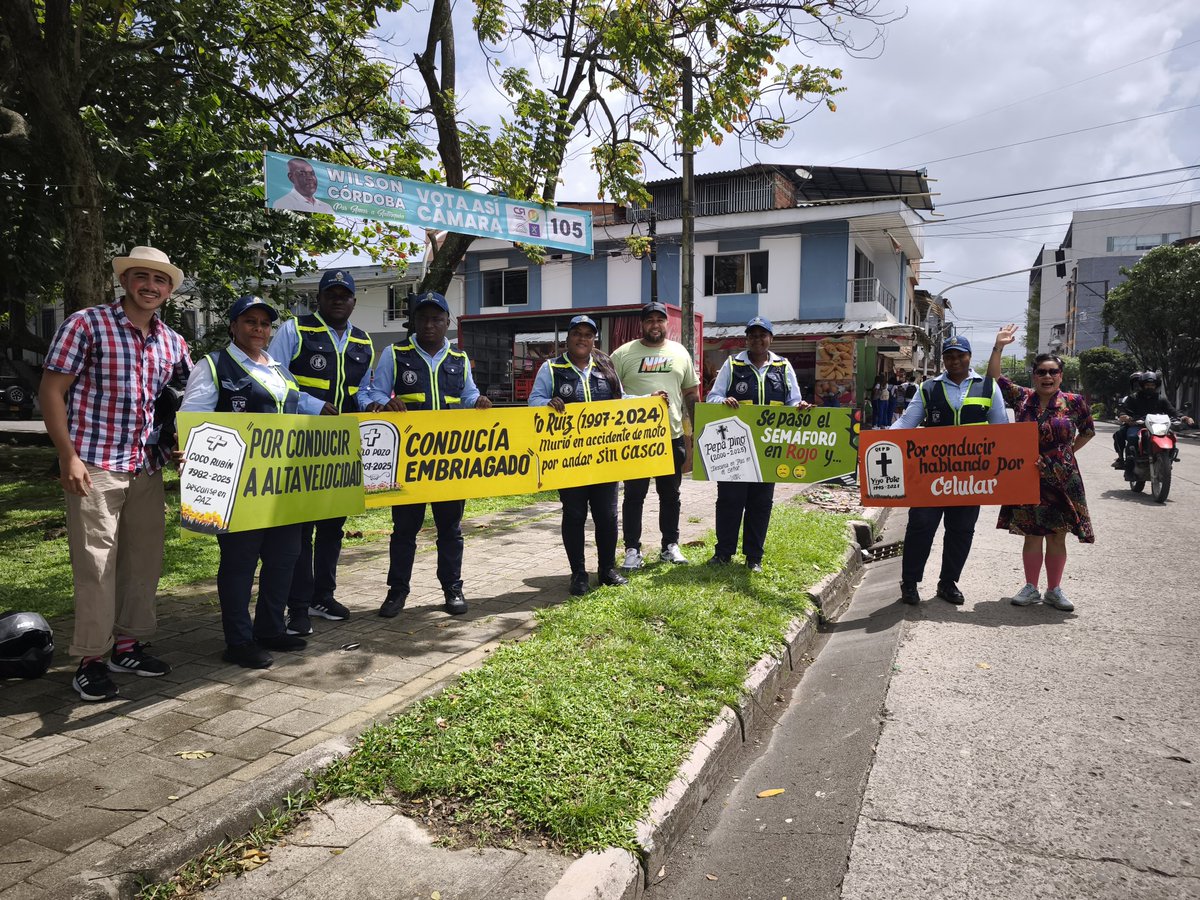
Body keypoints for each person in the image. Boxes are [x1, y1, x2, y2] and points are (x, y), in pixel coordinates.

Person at [39, 246, 193, 701]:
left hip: (146, 468)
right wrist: (66, 455)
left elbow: (184, 402)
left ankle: (127, 645)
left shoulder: (173, 342)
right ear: (126, 281)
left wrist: (184, 446)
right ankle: (90, 657)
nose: (151, 286)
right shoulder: (87, 324)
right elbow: (51, 391)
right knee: (97, 567)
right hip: (95, 465)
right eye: (142, 277)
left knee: (142, 564)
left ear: (168, 290)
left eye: (160, 280)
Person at [180, 295, 329, 669]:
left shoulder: (279, 369)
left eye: (264, 323)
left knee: (284, 559)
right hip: (238, 487)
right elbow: (192, 420)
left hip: (282, 486)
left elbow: (295, 400)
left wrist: (327, 411)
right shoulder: (214, 366)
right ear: (233, 325)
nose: (258, 329)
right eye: (250, 321)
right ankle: (239, 640)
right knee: (240, 563)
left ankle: (270, 629)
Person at [361, 291, 492, 618]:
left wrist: (477, 403)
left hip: (448, 462)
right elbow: (376, 391)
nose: (430, 324)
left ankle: (452, 587)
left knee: (450, 529)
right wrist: (385, 401)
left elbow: (468, 394)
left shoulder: (459, 360)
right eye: (423, 318)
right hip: (409, 461)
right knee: (404, 530)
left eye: (437, 318)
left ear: (447, 321)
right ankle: (397, 591)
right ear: (413, 322)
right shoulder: (395, 353)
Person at [268, 269, 374, 637]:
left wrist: (374, 405)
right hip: (301, 443)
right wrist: (312, 405)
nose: (338, 299)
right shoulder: (294, 330)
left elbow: (362, 390)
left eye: (345, 294)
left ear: (354, 301)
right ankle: (296, 606)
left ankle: (322, 596)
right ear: (320, 297)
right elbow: (274, 379)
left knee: (333, 527)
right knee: (300, 531)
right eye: (332, 293)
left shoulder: (364, 341)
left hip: (343, 448)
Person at [891, 334, 1008, 606]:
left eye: (960, 355)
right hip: (930, 476)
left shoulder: (988, 387)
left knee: (962, 530)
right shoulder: (928, 388)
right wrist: (873, 443)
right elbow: (905, 425)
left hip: (971, 478)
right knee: (920, 526)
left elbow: (1002, 431)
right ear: (943, 359)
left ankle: (948, 582)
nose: (955, 360)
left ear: (969, 357)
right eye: (949, 356)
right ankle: (909, 583)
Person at [988, 325, 1097, 612]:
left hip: (1062, 478)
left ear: (1061, 376)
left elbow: (1087, 431)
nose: (1047, 376)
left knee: (1058, 534)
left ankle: (1054, 590)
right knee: (1033, 532)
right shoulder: (1022, 398)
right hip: (1028, 476)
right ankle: (1030, 587)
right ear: (1033, 375)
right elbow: (994, 379)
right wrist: (998, 347)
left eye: (1053, 372)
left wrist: (1067, 454)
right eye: (1041, 372)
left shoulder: (1074, 402)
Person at [528, 315, 629, 596]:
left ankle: (607, 570)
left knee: (608, 516)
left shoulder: (606, 368)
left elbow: (621, 401)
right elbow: (533, 401)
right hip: (568, 460)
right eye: (577, 333)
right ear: (568, 338)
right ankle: (579, 574)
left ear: (594, 339)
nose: (582, 338)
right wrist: (547, 403)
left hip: (604, 457)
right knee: (574, 514)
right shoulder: (551, 369)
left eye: (588, 334)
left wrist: (651, 401)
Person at [705, 316, 809, 572]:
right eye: (753, 335)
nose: (758, 339)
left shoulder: (783, 367)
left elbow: (793, 400)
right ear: (747, 339)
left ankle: (754, 557)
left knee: (760, 503)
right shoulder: (733, 364)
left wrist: (801, 407)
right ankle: (723, 553)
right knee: (729, 500)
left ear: (771, 338)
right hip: (734, 447)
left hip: (768, 450)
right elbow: (712, 397)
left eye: (763, 335)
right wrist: (724, 401)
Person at [611, 301, 700, 570]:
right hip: (636, 440)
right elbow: (611, 395)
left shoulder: (680, 353)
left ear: (666, 323)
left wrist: (698, 431)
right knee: (634, 496)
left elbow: (691, 394)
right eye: (649, 320)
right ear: (642, 324)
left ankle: (670, 546)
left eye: (659, 320)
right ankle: (632, 550)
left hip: (671, 437)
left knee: (670, 495)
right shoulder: (623, 354)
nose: (655, 324)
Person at [1115, 372, 1193, 476]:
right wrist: (1124, 416)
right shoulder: (1134, 397)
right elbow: (1124, 410)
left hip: (1157, 426)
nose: (1150, 387)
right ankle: (1129, 465)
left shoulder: (1161, 399)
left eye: (1152, 385)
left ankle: (1168, 458)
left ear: (1156, 386)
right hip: (1138, 425)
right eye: (1147, 385)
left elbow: (1172, 411)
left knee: (1171, 436)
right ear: (1142, 385)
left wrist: (1184, 417)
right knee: (1132, 437)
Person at [1111, 371, 1145, 467]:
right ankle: (1121, 458)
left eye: (1141, 383)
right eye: (1136, 383)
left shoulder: (1156, 397)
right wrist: (1126, 417)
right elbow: (1122, 411)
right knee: (1119, 434)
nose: (1138, 385)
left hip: (1152, 425)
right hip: (1133, 424)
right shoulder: (1131, 398)